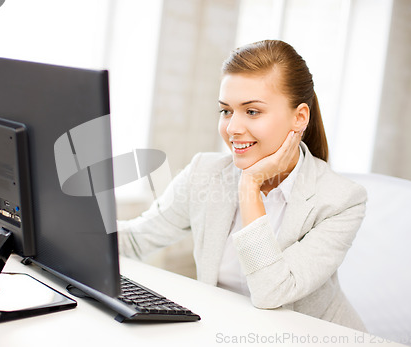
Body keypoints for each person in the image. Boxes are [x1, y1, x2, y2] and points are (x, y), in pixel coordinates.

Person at [116, 40, 367, 331]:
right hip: (225, 331)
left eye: (252, 112)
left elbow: (271, 293)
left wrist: (250, 188)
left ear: (299, 118)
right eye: (226, 111)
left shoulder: (341, 200)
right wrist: (60, 231)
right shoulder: (204, 172)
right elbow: (135, 240)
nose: (232, 128)